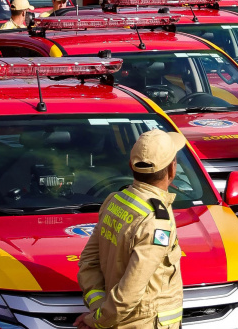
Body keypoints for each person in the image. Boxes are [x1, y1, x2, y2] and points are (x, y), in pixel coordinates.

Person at [75, 129, 185, 329]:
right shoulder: (156, 220)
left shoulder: (114, 201)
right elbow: (129, 294)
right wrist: (98, 321)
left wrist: (99, 307)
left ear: (130, 165)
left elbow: (88, 262)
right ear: (172, 169)